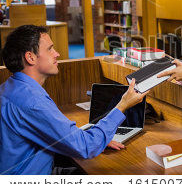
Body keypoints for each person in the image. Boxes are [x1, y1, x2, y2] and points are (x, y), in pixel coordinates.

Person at [0, 25, 146, 174]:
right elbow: (85, 147)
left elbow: (55, 133)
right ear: (30, 57)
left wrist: (99, 138)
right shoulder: (32, 101)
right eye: (50, 49)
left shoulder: (10, 88)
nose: (57, 53)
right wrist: (122, 105)